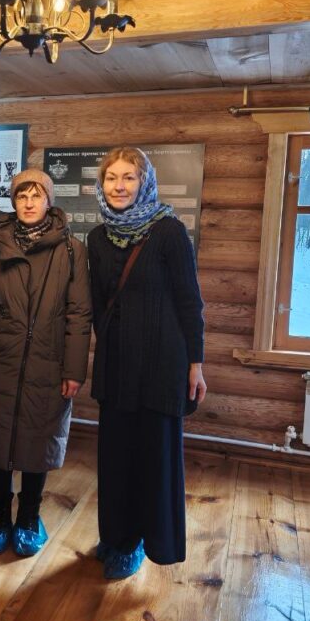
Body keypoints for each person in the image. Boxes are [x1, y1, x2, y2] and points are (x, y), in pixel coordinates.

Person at [87, 146, 207, 579]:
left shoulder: (169, 232)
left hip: (161, 366)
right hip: (117, 365)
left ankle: (144, 541)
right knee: (115, 457)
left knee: (153, 459)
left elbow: (189, 302)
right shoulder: (97, 238)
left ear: (145, 182)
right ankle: (116, 537)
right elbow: (99, 304)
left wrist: (196, 363)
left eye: (129, 177)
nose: (119, 186)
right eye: (111, 177)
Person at [0, 170, 91, 557]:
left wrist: (73, 370)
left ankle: (30, 516)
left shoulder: (72, 250)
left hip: (48, 363)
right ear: (14, 201)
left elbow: (79, 315)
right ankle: (0, 516)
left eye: (37, 196)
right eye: (22, 196)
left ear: (49, 201)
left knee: (39, 440)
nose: (29, 203)